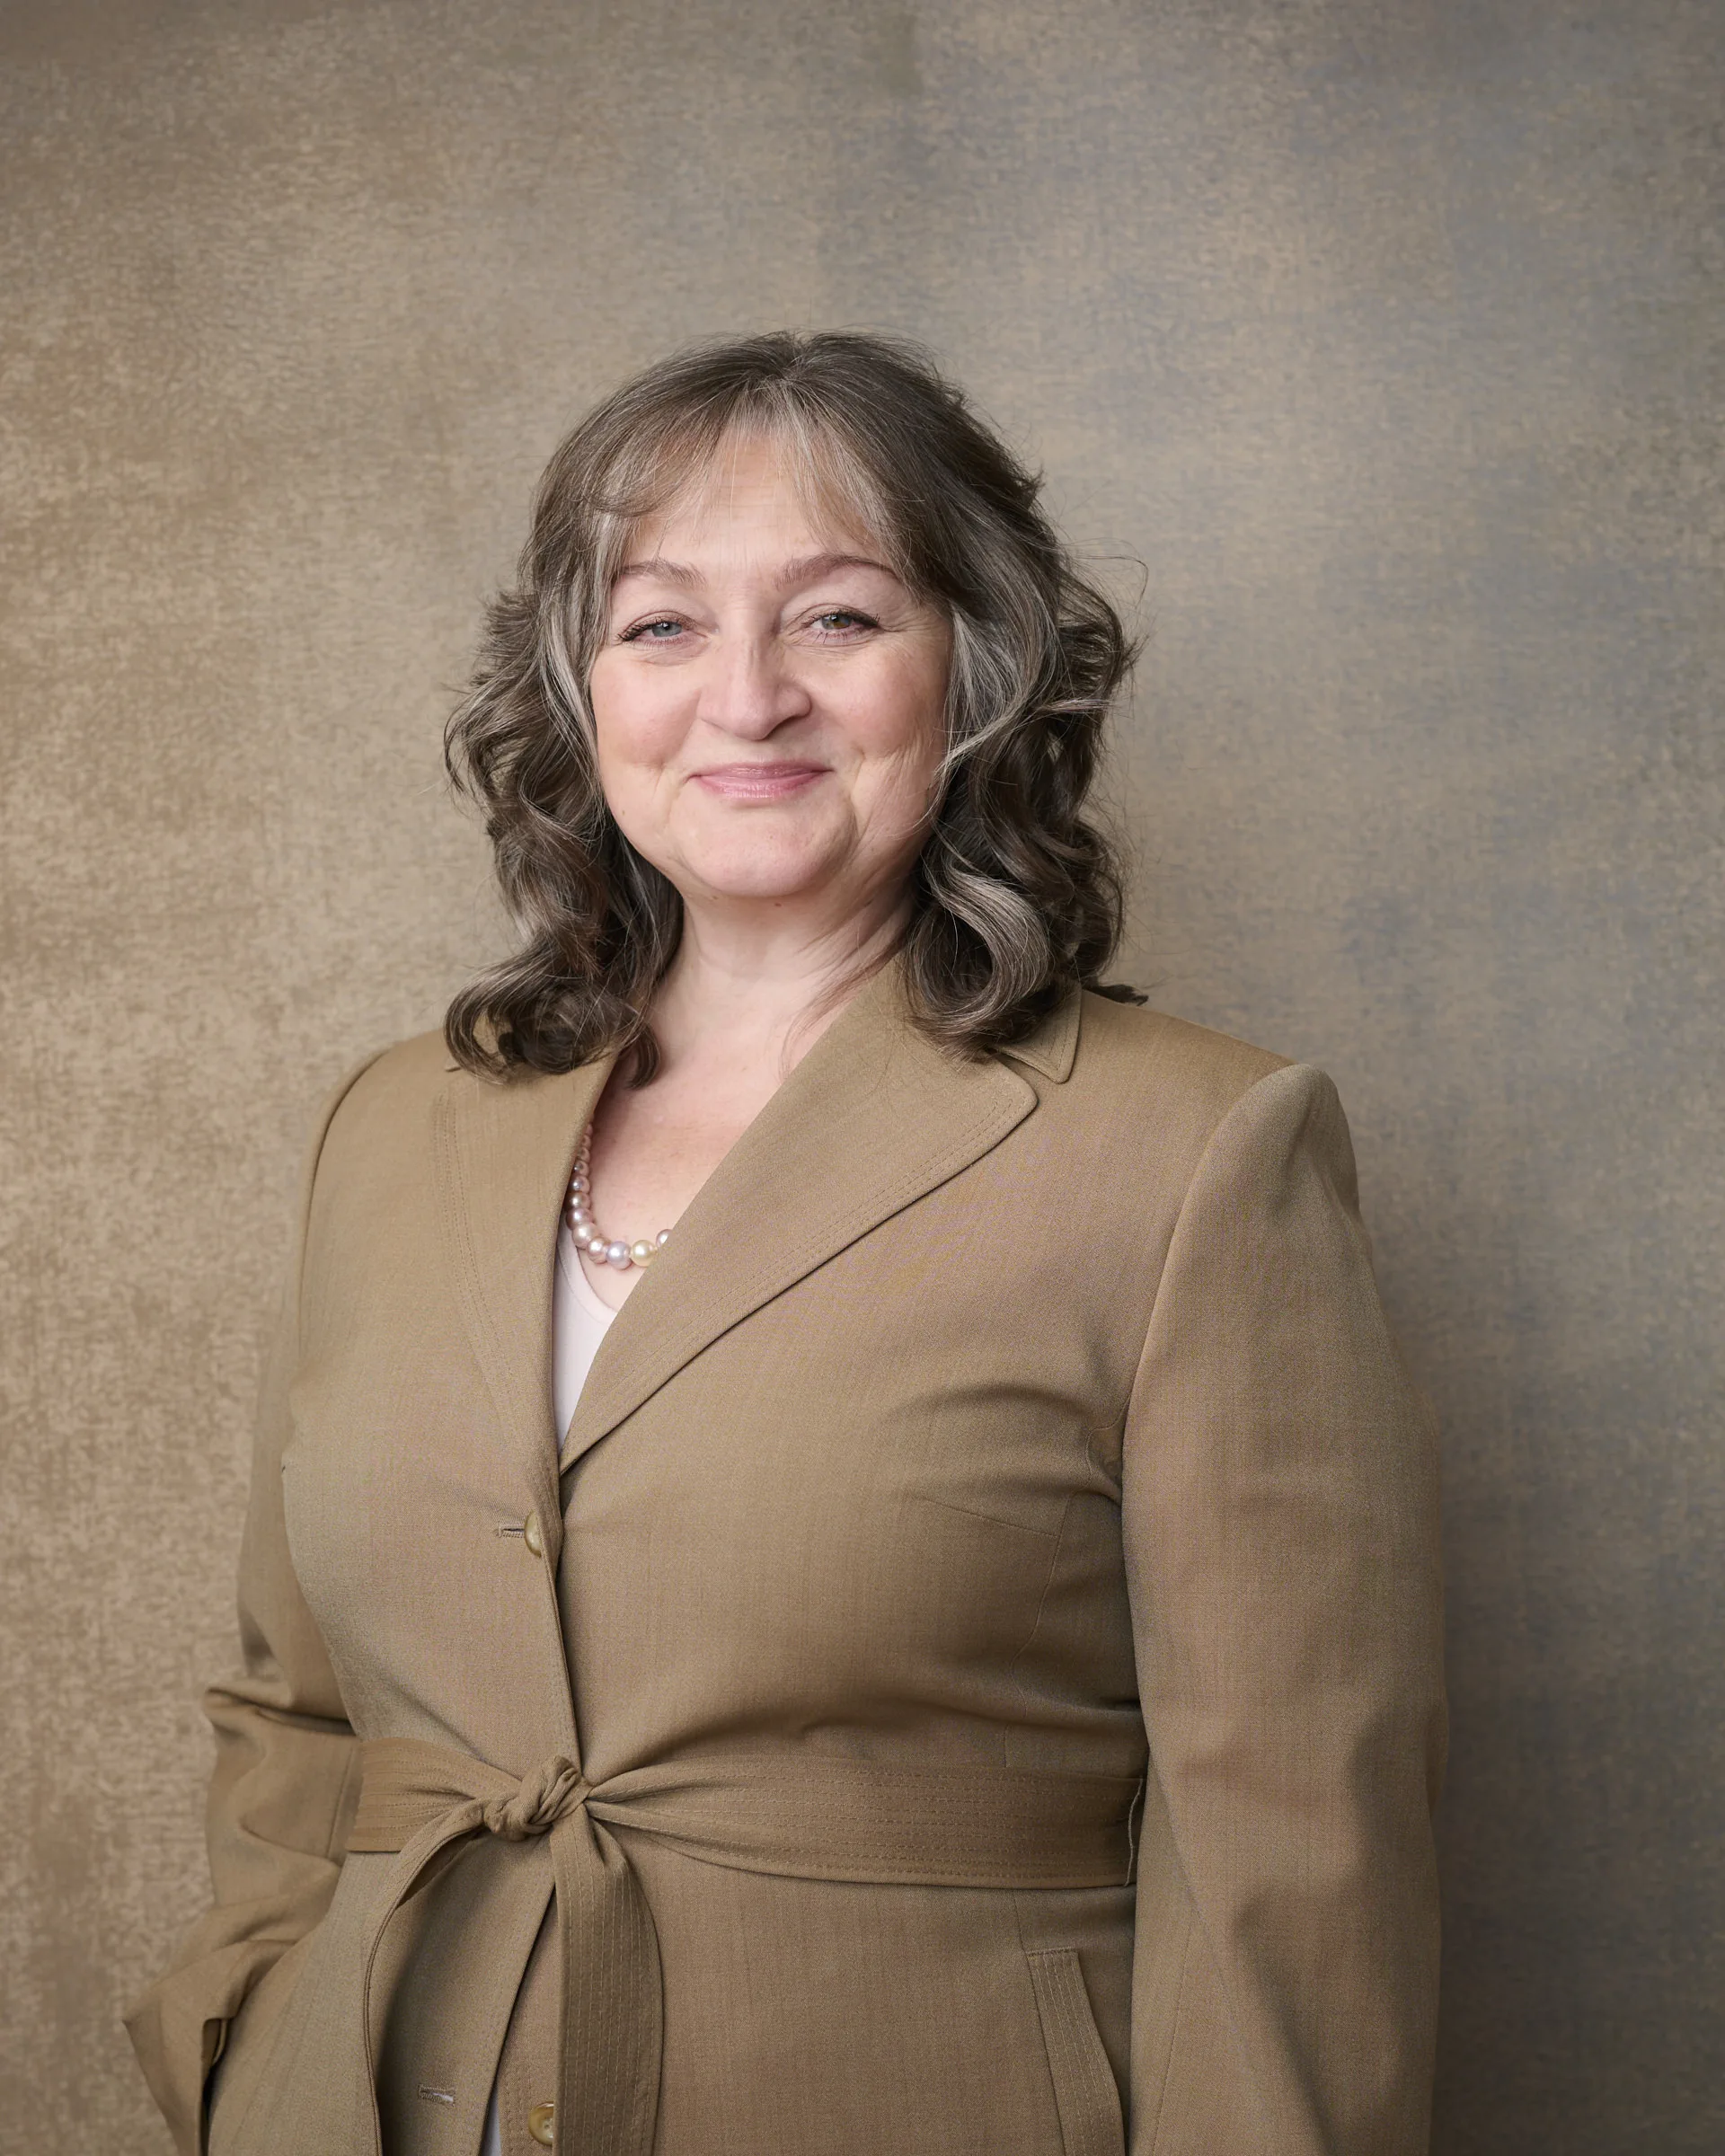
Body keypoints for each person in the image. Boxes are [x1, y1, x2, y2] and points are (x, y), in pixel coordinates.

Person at [127, 331, 1446, 2156]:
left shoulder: (1196, 1154)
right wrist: (239, 2034)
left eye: (836, 618)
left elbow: (1292, 1861)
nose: (746, 699)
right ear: (579, 693)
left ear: (978, 671)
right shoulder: (394, 1126)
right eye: (661, 625)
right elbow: (294, 1709)